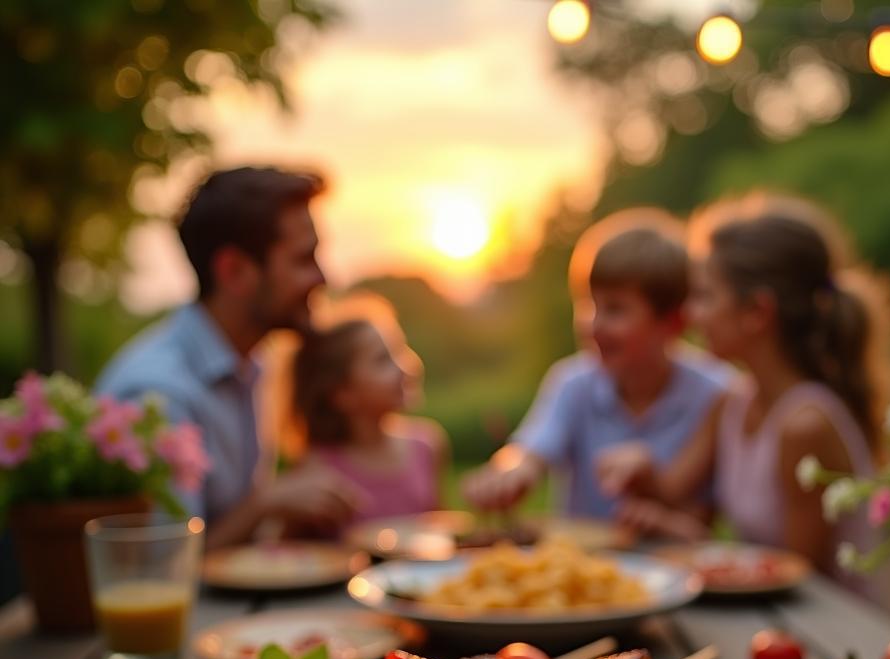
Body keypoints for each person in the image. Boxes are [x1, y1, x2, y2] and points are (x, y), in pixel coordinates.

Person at [596, 193, 890, 582]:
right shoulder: (733, 402)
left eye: (704, 296)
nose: (689, 314)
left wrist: (693, 540)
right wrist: (644, 473)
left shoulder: (805, 426)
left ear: (757, 312)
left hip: (822, 632)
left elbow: (795, 575)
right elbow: (670, 490)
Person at [97, 166, 364, 548]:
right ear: (234, 271)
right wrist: (266, 504)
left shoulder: (253, 364)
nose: (324, 278)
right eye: (304, 259)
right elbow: (164, 562)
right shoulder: (157, 394)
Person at [461, 209, 732, 519]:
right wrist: (511, 472)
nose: (593, 324)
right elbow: (529, 452)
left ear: (671, 322)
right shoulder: (572, 382)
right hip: (584, 564)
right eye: (588, 303)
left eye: (615, 309)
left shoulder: (717, 393)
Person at [288, 296, 449, 528]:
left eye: (399, 350)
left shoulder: (427, 445)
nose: (404, 367)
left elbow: (439, 531)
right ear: (342, 394)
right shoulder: (317, 467)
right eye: (383, 359)